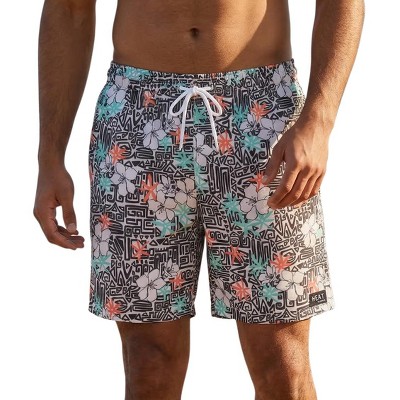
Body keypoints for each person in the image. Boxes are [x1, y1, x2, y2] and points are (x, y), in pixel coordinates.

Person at [33, 1, 364, 399]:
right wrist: (50, 156)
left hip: (260, 117)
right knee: (148, 364)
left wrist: (318, 121)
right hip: (137, 117)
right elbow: (69, 9)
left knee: (281, 362)